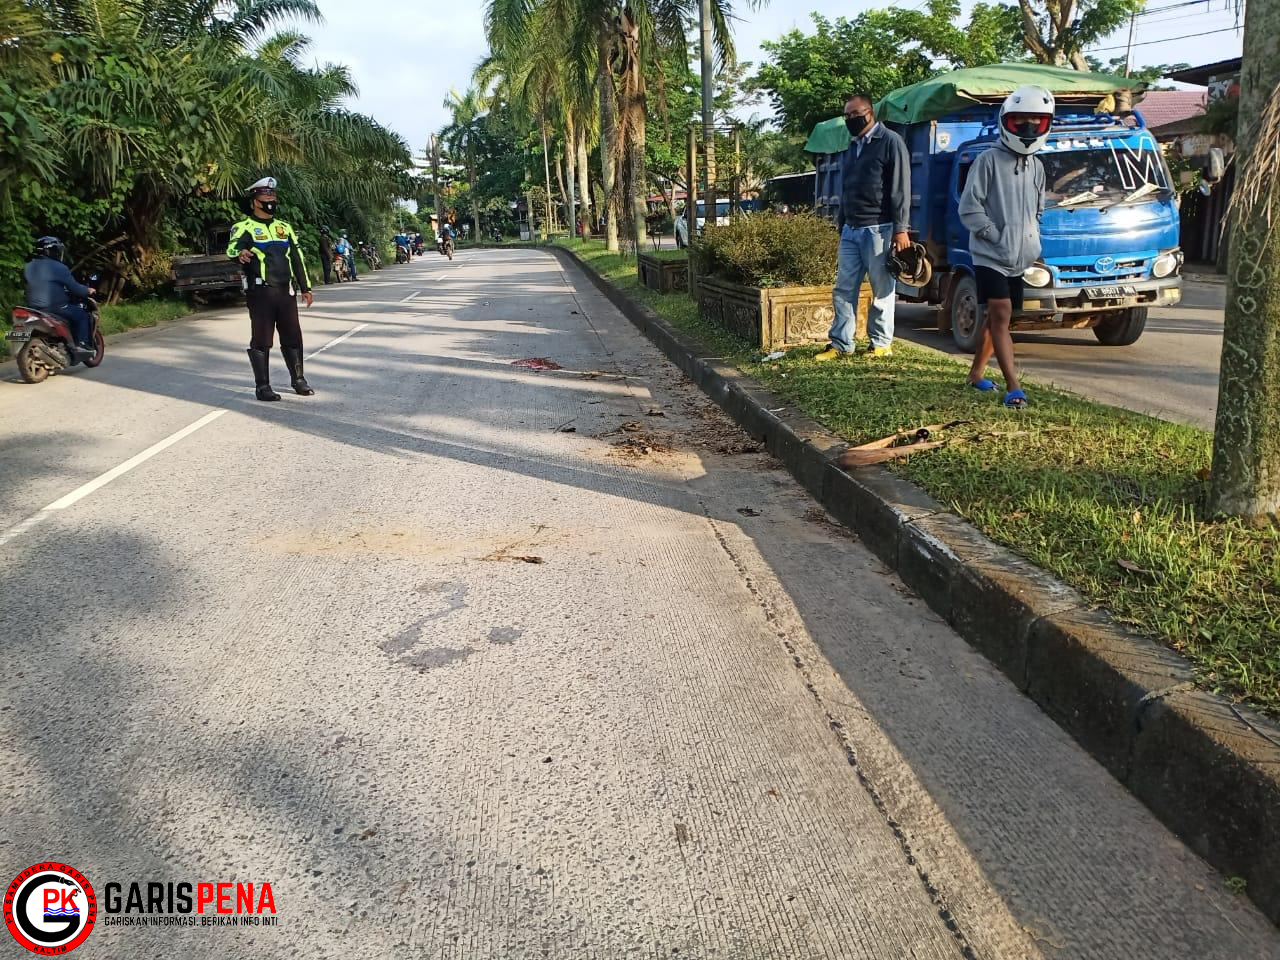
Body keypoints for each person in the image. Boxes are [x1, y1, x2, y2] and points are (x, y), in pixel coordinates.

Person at [958, 85, 1053, 410]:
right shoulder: (987, 161)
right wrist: (993, 234)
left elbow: (1038, 209)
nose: (1028, 128)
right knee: (1001, 313)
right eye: (1020, 121)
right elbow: (969, 207)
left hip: (1019, 257)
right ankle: (1014, 386)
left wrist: (1030, 241)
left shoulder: (1037, 167)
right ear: (1006, 121)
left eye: (1035, 122)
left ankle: (975, 375)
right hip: (989, 255)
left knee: (996, 319)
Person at [815, 93, 911, 361]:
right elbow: (847, 188)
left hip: (879, 228)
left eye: (855, 115)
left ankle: (880, 343)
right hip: (851, 230)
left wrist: (901, 230)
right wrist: (842, 223)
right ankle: (841, 344)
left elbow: (901, 188)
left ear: (870, 113)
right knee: (844, 289)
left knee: (882, 291)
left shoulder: (890, 142)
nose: (851, 120)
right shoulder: (852, 146)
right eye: (847, 116)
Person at [226, 176, 315, 401]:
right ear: (255, 200)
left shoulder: (284, 228)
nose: (271, 199)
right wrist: (241, 254)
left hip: (285, 292)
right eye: (266, 195)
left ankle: (299, 380)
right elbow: (232, 250)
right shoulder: (243, 227)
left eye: (273, 195)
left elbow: (297, 257)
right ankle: (263, 387)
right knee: (262, 339)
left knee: (293, 336)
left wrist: (306, 287)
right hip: (261, 292)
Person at [23, 236, 97, 359]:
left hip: (32, 308)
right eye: (57, 250)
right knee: (82, 315)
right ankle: (82, 345)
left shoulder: (29, 266)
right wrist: (87, 290)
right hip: (55, 307)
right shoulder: (59, 267)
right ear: (52, 251)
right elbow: (75, 289)